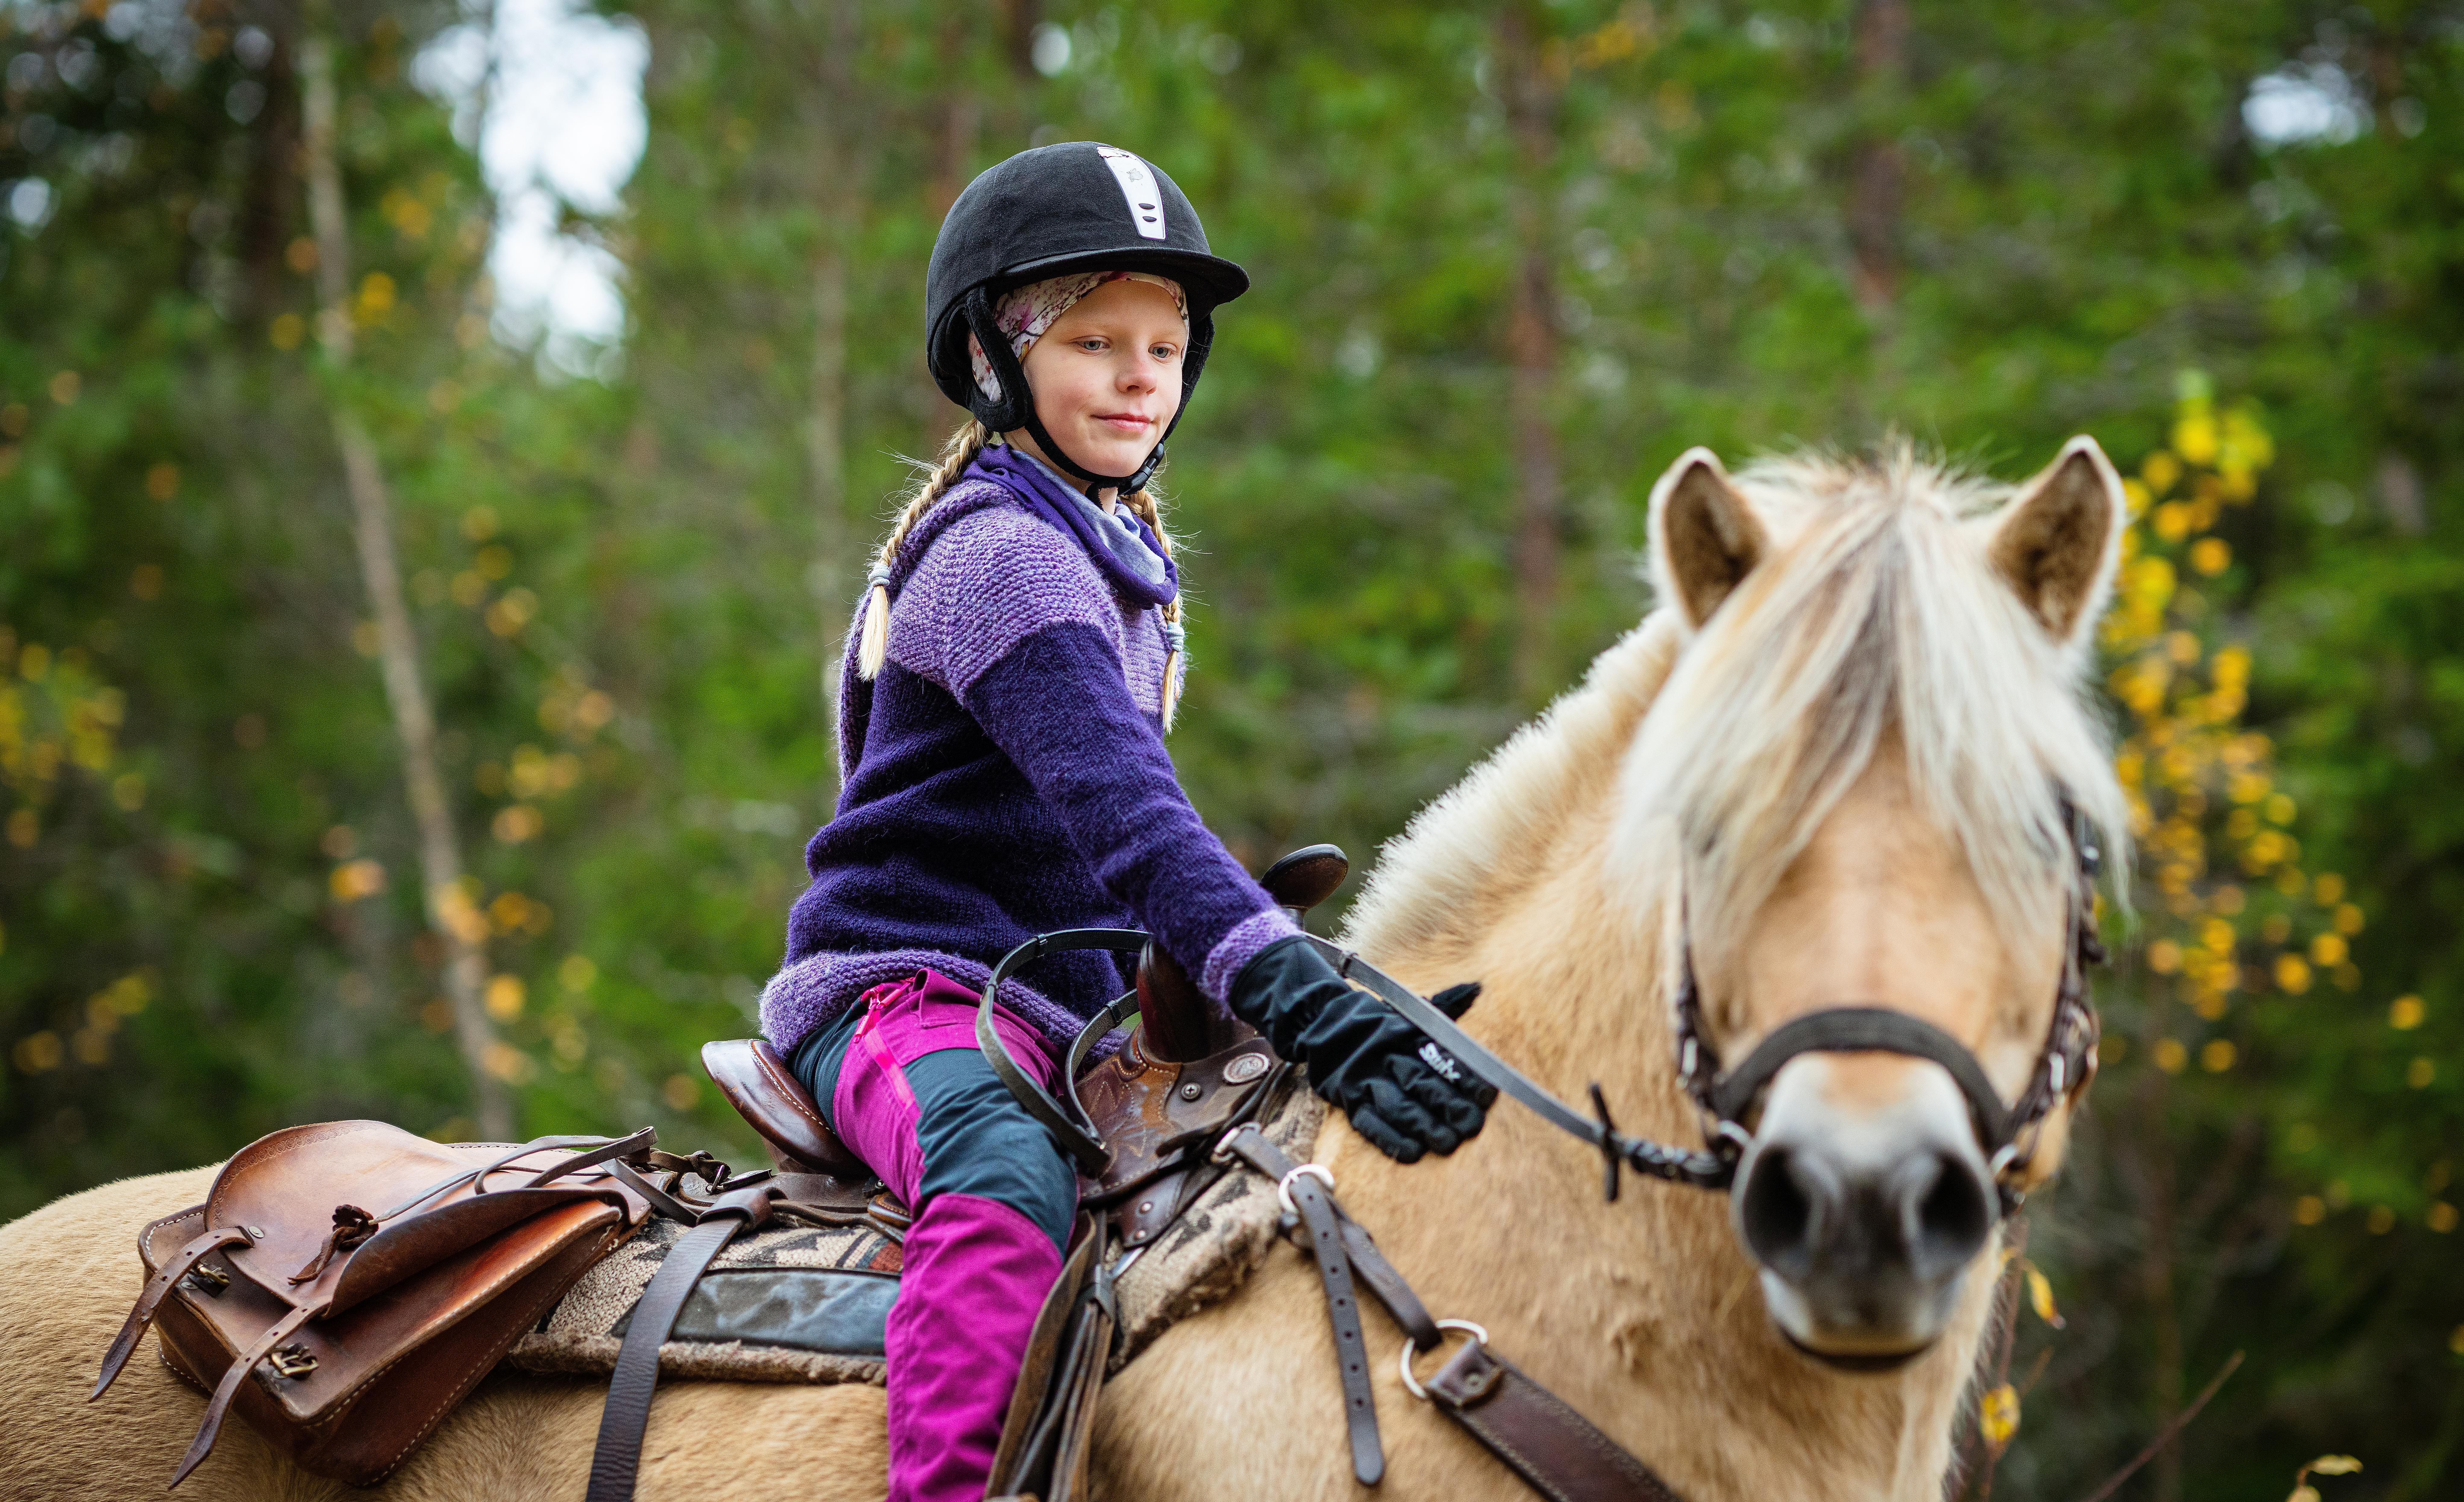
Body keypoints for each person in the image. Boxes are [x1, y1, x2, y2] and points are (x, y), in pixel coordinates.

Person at [757, 142, 1494, 1502]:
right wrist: (1298, 992)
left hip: (1062, 1007)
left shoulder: (1128, 564)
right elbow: (1130, 821)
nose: (1139, 373)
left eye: (1164, 344)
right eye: (1095, 340)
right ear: (992, 357)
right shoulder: (998, 556)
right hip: (905, 995)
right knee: (1003, 1181)